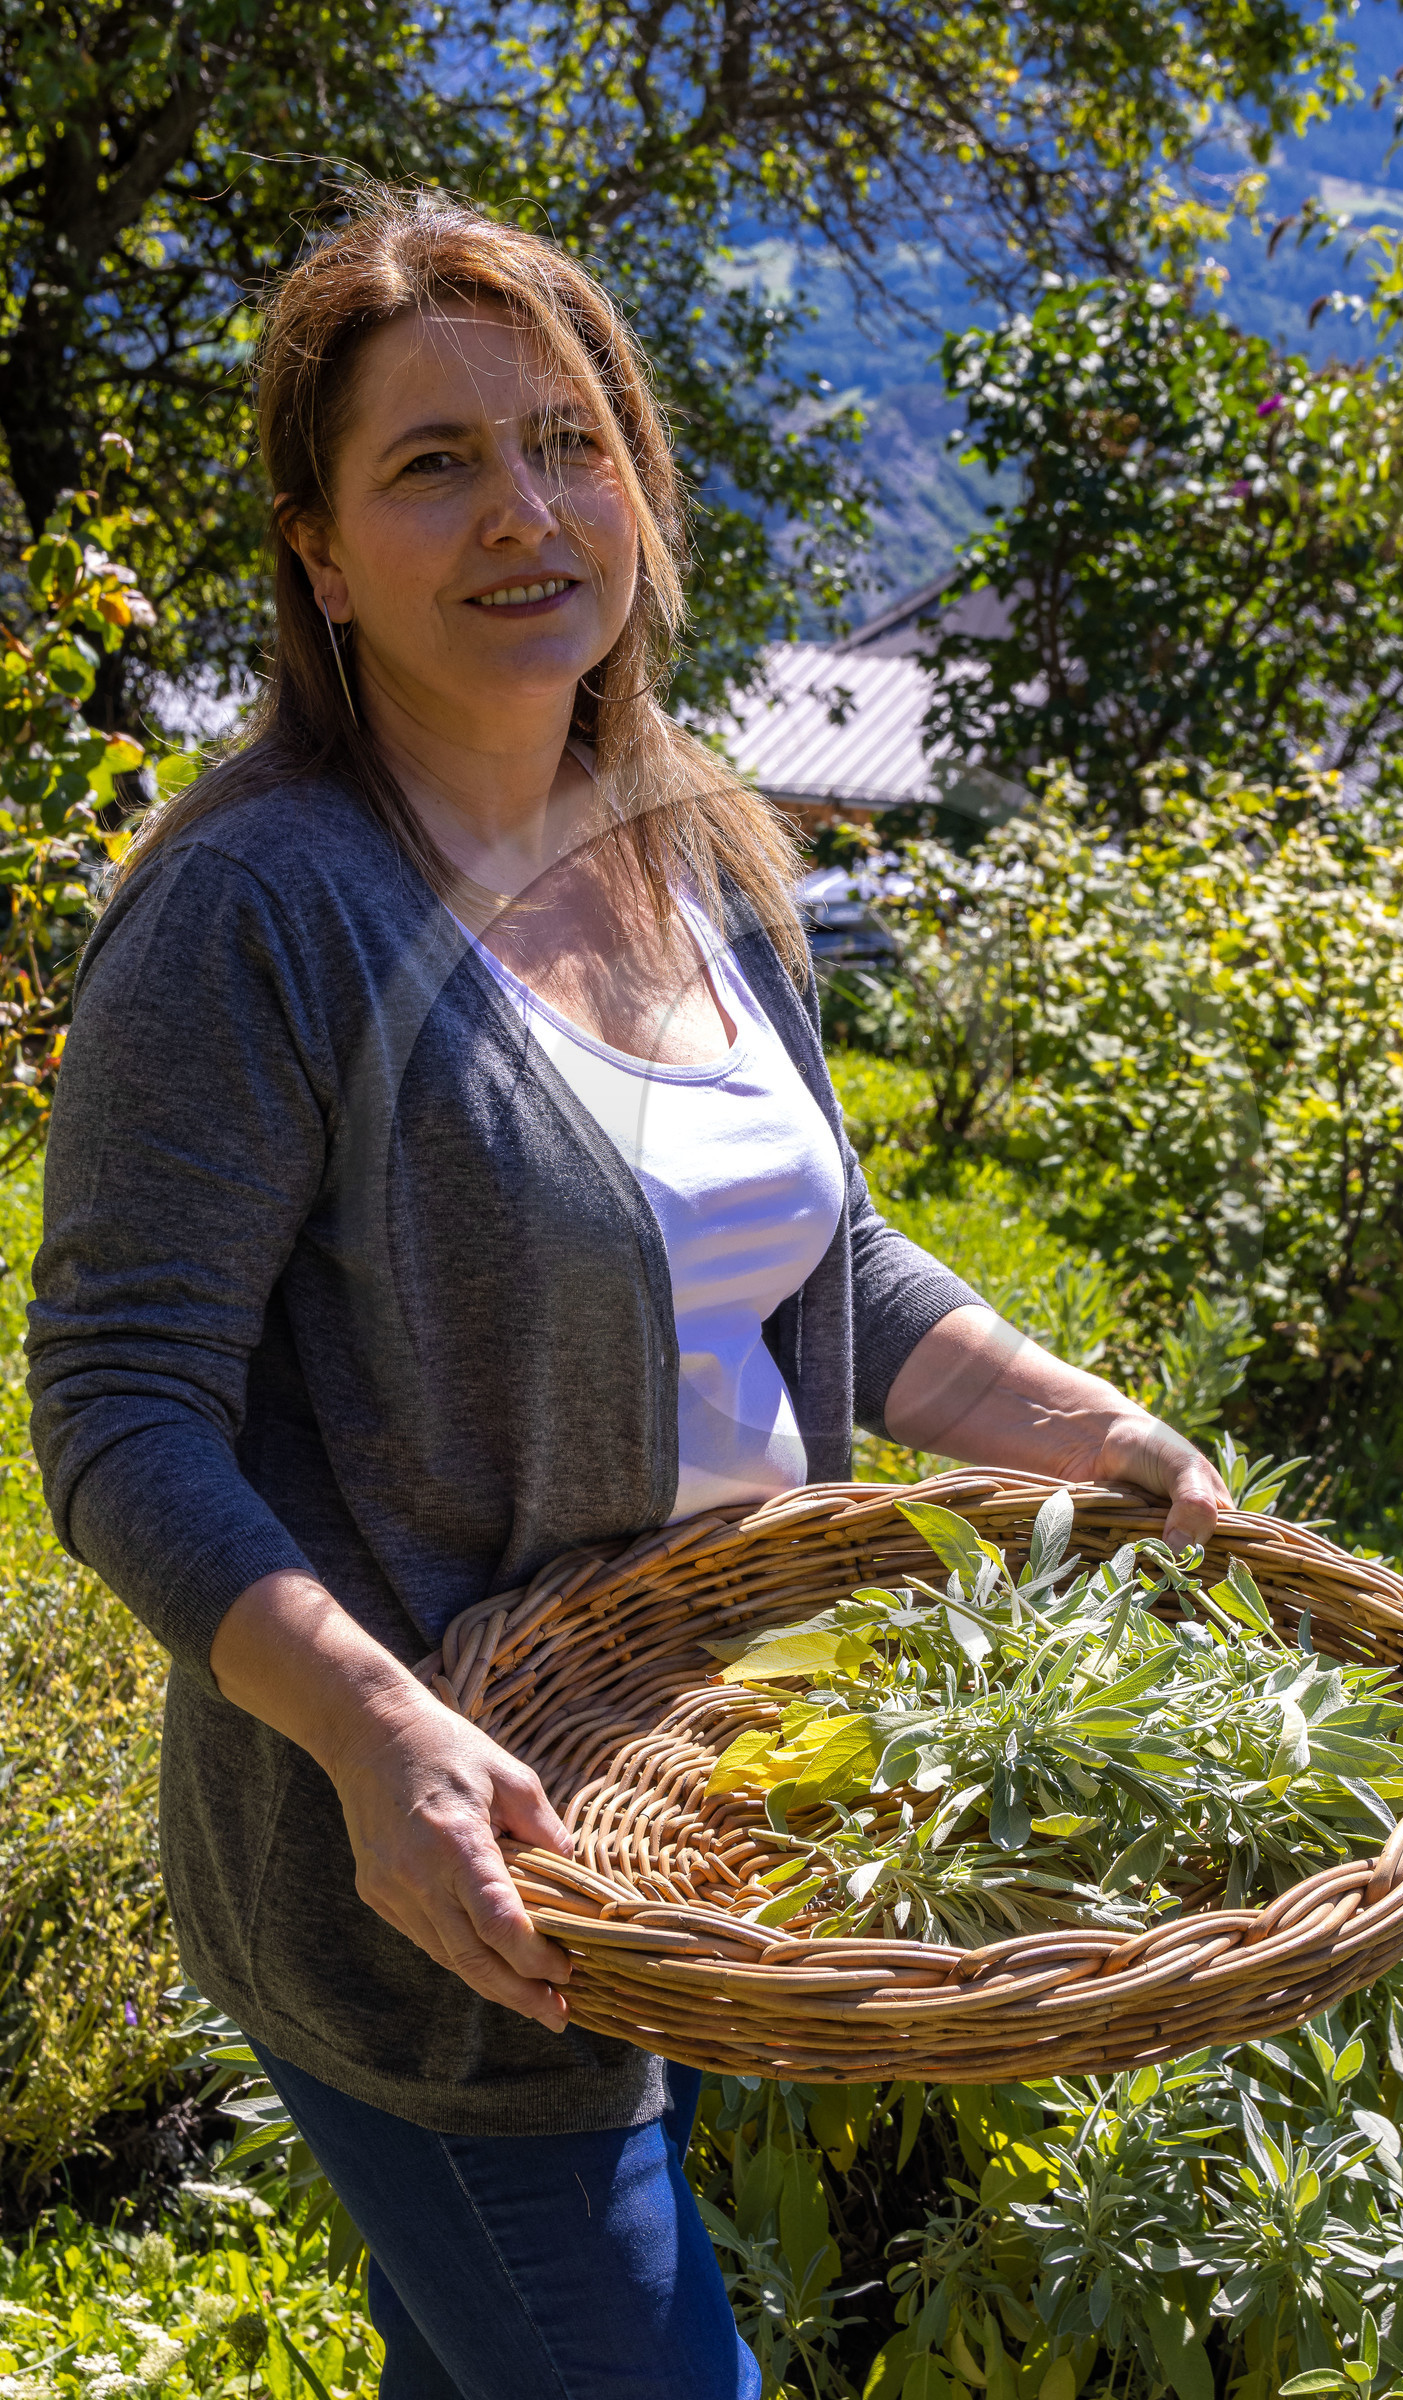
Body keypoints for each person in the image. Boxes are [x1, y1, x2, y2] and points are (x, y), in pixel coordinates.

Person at [26, 191, 1229, 2400]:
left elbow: (822, 1268)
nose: (525, 510)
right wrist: (381, 1736)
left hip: (701, 1812)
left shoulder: (694, 848)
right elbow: (116, 1411)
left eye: (568, 441)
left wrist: (1096, 1433)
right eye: (431, 462)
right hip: (430, 1897)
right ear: (315, 548)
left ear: (641, 488)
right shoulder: (259, 913)